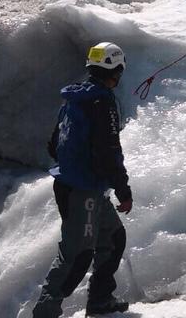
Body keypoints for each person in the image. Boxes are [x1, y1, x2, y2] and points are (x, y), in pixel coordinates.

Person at [33, 42, 133, 318]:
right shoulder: (101, 102)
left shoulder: (74, 98)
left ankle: (100, 300)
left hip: (76, 185)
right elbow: (109, 150)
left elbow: (54, 144)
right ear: (115, 70)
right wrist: (123, 189)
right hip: (83, 191)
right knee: (77, 255)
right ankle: (45, 311)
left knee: (113, 238)